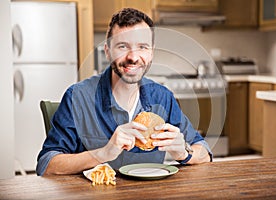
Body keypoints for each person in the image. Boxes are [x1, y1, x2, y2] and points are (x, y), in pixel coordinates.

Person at [36, 7, 212, 176]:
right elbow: (47, 164)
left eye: (142, 47)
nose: (133, 57)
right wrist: (104, 153)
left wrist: (184, 153)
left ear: (151, 53)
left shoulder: (163, 97)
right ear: (107, 51)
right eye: (122, 46)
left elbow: (205, 152)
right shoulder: (78, 97)